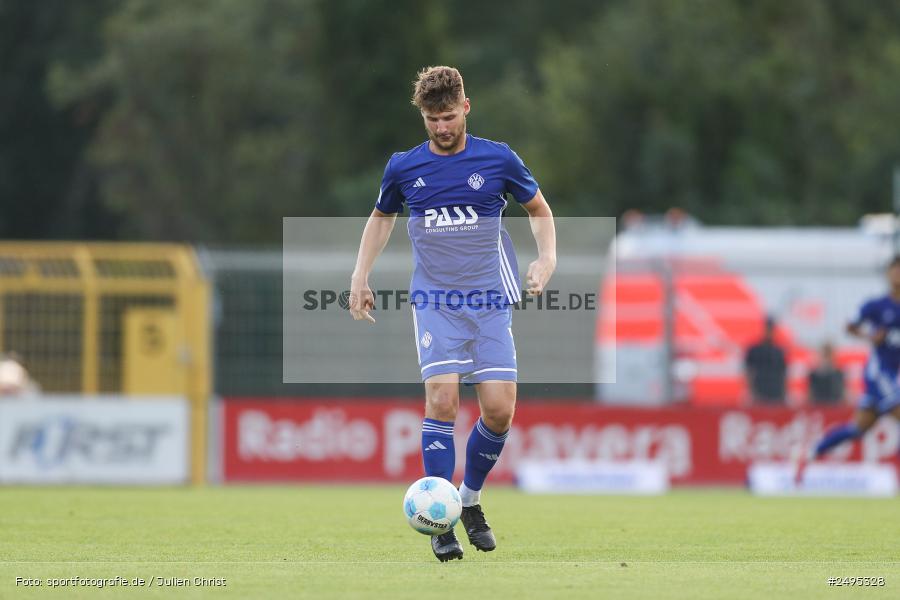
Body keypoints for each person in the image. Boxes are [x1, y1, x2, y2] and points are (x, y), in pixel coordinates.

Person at [349, 66, 556, 562]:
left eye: (447, 116)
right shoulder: (404, 167)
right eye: (431, 119)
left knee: (499, 411)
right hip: (436, 301)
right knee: (442, 399)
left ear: (466, 107)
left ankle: (468, 500)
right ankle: (439, 523)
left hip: (488, 300)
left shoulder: (498, 158)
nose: (441, 127)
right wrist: (360, 276)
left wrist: (546, 257)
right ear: (421, 116)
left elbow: (539, 210)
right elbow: (381, 219)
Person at [797, 255, 900, 482]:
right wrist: (870, 336)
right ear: (888, 274)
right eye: (895, 269)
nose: (897, 275)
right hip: (879, 373)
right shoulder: (876, 306)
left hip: (894, 376)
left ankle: (811, 453)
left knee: (858, 428)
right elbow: (850, 326)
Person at [744, 315, 787, 405]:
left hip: (776, 392)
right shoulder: (754, 349)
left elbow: (783, 373)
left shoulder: (779, 350)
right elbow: (748, 371)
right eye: (767, 329)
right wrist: (750, 391)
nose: (769, 332)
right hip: (759, 391)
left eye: (771, 329)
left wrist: (784, 393)